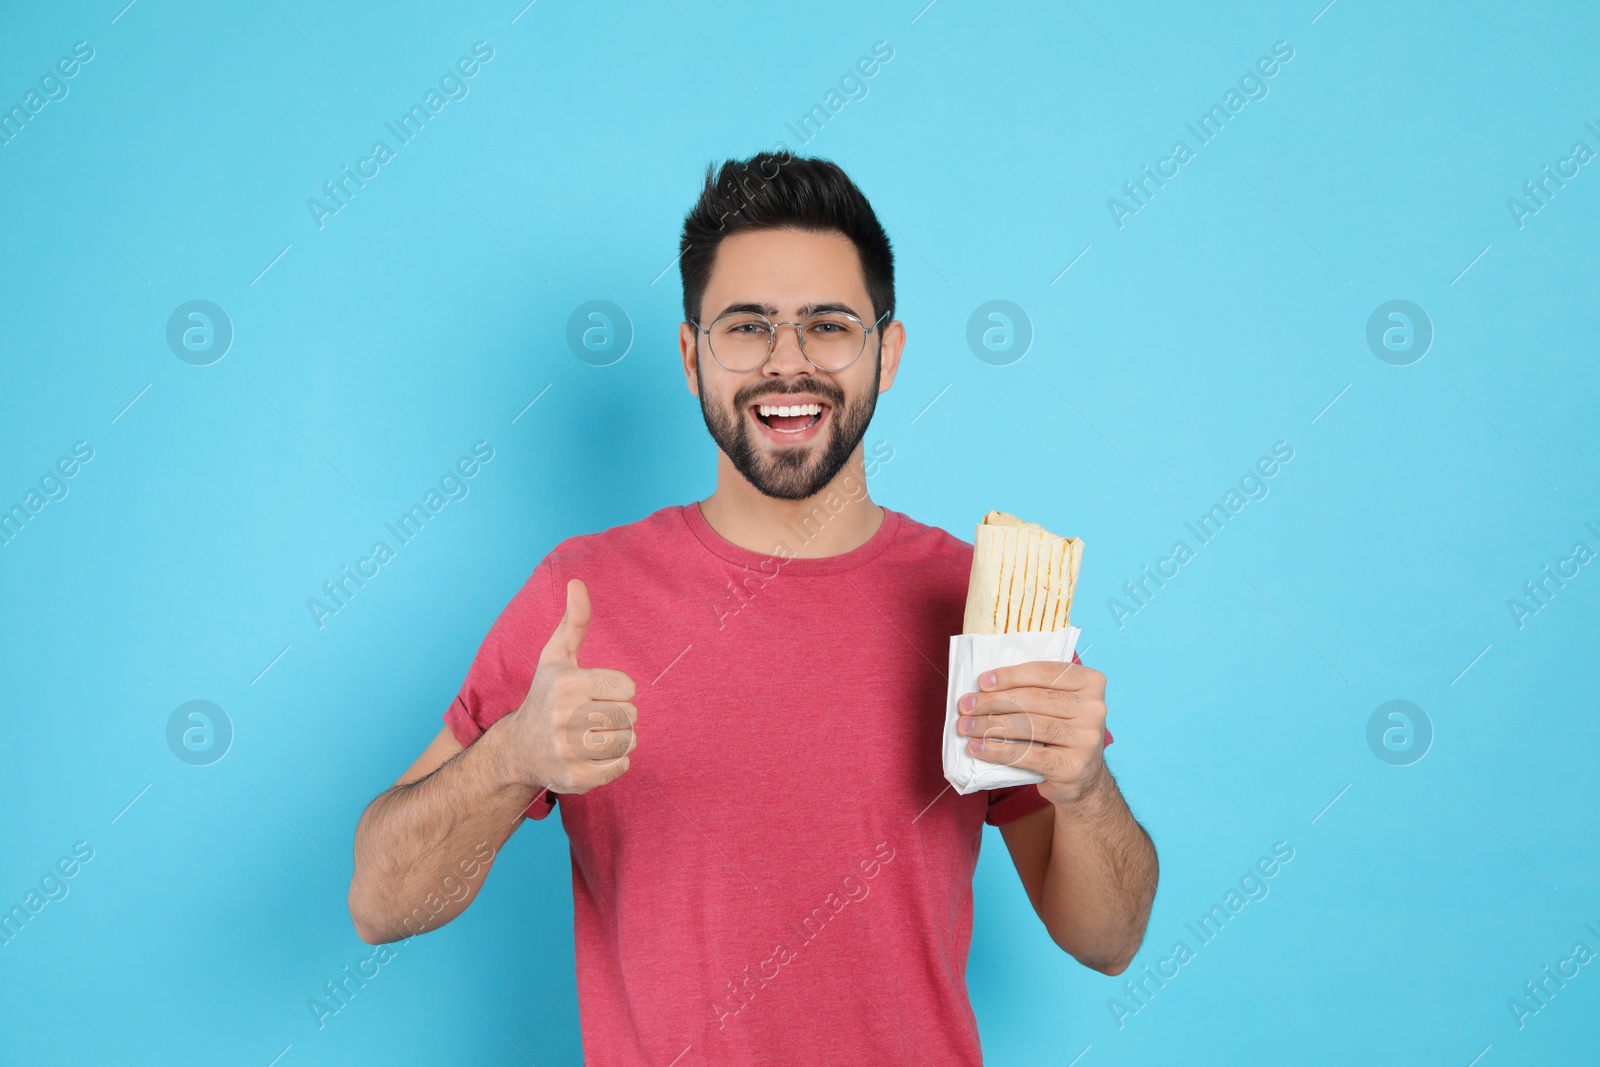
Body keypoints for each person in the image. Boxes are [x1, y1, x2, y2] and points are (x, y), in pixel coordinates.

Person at [348, 152, 1158, 1065]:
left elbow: (1108, 940)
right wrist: (512, 758)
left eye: (828, 325)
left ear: (887, 355)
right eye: (746, 327)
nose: (789, 363)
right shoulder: (580, 596)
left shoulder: (975, 603)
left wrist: (1084, 790)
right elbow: (381, 903)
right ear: (692, 356)